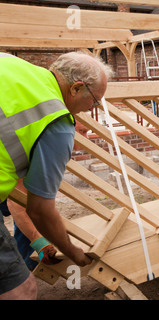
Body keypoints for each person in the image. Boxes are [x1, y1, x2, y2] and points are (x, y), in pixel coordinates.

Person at [0, 51, 113, 299]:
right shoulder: (56, 122)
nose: (91, 110)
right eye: (94, 101)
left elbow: (18, 195)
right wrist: (72, 252)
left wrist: (41, 243)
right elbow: (39, 209)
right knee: (21, 290)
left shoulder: (10, 63)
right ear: (76, 88)